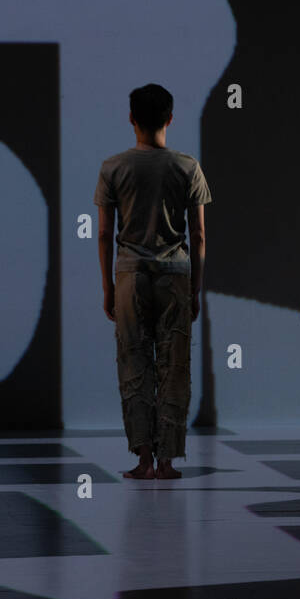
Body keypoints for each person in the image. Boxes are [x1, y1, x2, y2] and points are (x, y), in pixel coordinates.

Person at [95, 83, 211, 480]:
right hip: (175, 274)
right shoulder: (187, 166)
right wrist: (195, 289)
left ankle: (143, 458)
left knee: (134, 362)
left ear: (131, 119)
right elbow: (198, 235)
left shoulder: (113, 167)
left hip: (130, 273)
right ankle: (166, 463)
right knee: (174, 367)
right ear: (170, 118)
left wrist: (109, 288)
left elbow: (104, 234)